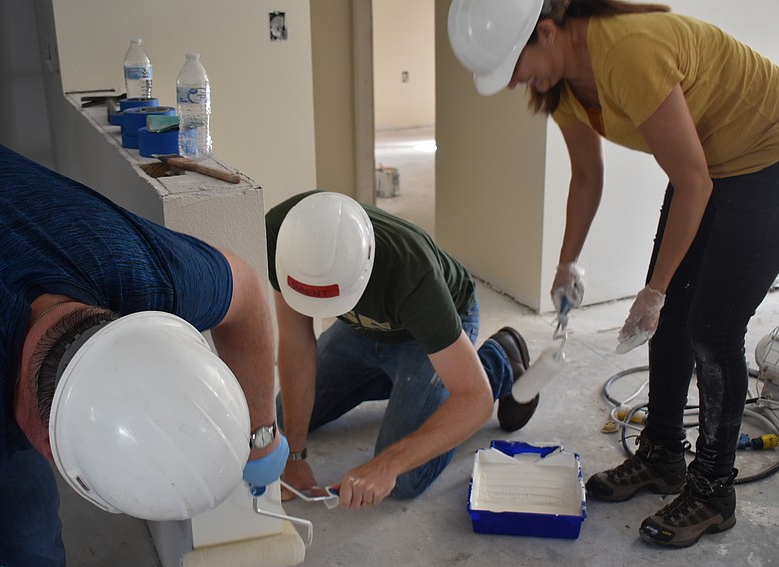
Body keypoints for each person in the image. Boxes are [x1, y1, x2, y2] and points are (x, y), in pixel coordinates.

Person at [449, 0, 779, 549]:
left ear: (548, 33)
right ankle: (663, 456)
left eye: (513, 66)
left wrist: (652, 291)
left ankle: (714, 490)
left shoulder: (628, 52)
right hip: (711, 163)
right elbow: (585, 176)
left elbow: (692, 184)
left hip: (766, 159)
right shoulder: (560, 83)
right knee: (673, 321)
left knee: (712, 332)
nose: (513, 84)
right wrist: (566, 263)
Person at [0, 126, 287, 566]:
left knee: (29, 530)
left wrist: (262, 437)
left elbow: (246, 289)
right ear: (48, 445)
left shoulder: (137, 274)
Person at [265, 190, 539, 509]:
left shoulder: (412, 272)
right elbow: (296, 342)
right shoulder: (283, 235)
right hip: (362, 328)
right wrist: (294, 455)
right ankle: (402, 382)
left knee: (405, 479)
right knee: (286, 420)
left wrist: (388, 464)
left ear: (365, 267)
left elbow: (475, 401)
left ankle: (496, 362)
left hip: (426, 334)